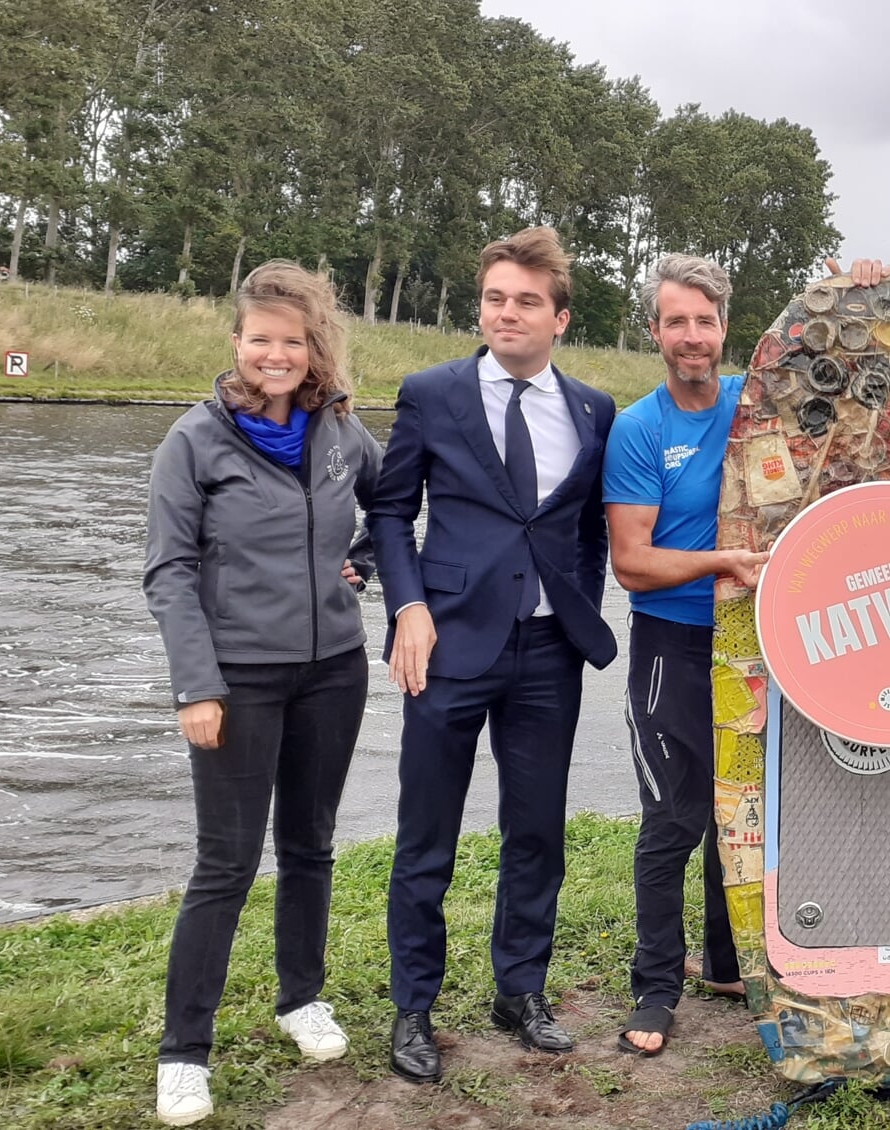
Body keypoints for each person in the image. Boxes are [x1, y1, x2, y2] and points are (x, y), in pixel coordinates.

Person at [604, 252, 889, 1056]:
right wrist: (720, 563)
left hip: (760, 644)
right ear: (655, 331)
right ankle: (655, 990)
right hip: (673, 643)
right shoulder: (640, 428)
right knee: (674, 819)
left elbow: (851, 394)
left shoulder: (754, 402)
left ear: (725, 328)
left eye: (704, 321)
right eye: (675, 322)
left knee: (746, 814)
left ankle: (728, 962)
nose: (691, 337)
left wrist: (855, 293)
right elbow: (632, 561)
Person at [368, 226, 618, 1084]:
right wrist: (408, 605)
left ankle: (521, 991)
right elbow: (391, 513)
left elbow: (587, 529)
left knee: (535, 832)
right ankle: (414, 1009)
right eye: (495, 299)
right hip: (444, 646)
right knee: (426, 835)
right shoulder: (431, 394)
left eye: (526, 302)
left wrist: (578, 600)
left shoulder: (593, 409)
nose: (507, 314)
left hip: (549, 652)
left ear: (560, 318)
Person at [143, 261, 381, 1126]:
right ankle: (183, 1052)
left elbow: (390, 508)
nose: (274, 355)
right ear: (237, 344)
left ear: (313, 347)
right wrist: (195, 686)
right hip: (236, 682)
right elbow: (168, 572)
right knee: (225, 863)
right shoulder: (194, 441)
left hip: (333, 672)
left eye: (291, 341)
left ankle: (300, 998)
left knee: (311, 847)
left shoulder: (343, 432)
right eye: (259, 340)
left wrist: (371, 561)